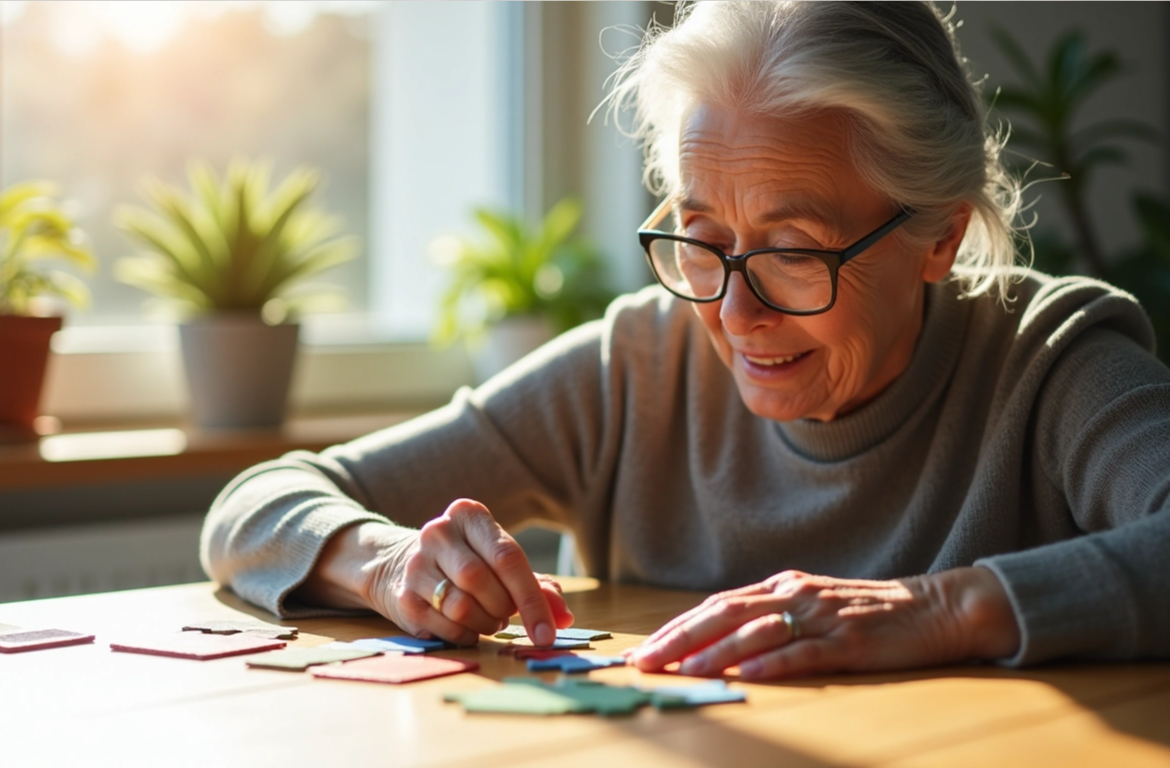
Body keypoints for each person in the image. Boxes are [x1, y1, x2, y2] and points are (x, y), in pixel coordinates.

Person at [201, 0, 1169, 678]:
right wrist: (386, 563)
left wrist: (944, 609)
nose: (734, 316)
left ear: (940, 236)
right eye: (704, 241)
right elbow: (256, 504)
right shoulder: (641, 364)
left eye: (795, 252)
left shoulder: (1049, 360)